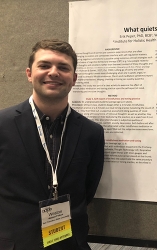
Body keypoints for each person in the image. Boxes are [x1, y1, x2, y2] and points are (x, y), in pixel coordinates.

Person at [0, 39, 105, 250]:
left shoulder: (91, 132)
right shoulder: (2, 125)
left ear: (73, 79)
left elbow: (87, 190)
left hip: (69, 244)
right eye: (45, 65)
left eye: (63, 67)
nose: (54, 72)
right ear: (29, 74)